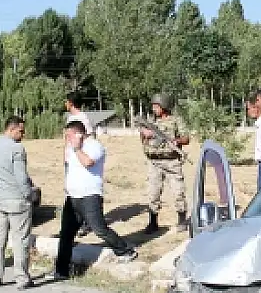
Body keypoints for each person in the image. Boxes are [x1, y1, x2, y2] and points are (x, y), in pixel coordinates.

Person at [54, 120, 138, 279]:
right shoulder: (71, 148)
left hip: (90, 196)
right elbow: (69, 166)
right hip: (73, 197)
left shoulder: (94, 146)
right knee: (66, 233)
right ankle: (61, 270)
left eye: (69, 135)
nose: (67, 138)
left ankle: (125, 250)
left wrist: (77, 148)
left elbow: (88, 162)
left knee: (99, 229)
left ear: (79, 134)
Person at [0, 116, 36, 289]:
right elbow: (21, 177)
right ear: (11, 129)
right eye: (21, 130)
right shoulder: (17, 149)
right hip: (17, 200)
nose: (23, 134)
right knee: (20, 239)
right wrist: (29, 194)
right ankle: (22, 278)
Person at [139, 93, 190, 233]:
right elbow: (143, 140)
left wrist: (177, 141)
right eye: (153, 106)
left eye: (157, 106)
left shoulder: (175, 120)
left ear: (164, 106)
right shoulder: (150, 122)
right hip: (154, 162)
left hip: (171, 161)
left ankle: (182, 221)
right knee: (153, 193)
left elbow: (186, 138)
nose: (154, 108)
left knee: (178, 192)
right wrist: (144, 134)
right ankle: (153, 222)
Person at [64, 92, 95, 237]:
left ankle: (86, 223)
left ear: (71, 102)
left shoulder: (83, 118)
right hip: (71, 159)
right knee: (72, 191)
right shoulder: (70, 118)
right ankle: (76, 221)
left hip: (80, 159)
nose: (65, 104)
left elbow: (90, 138)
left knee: (83, 191)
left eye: (66, 101)